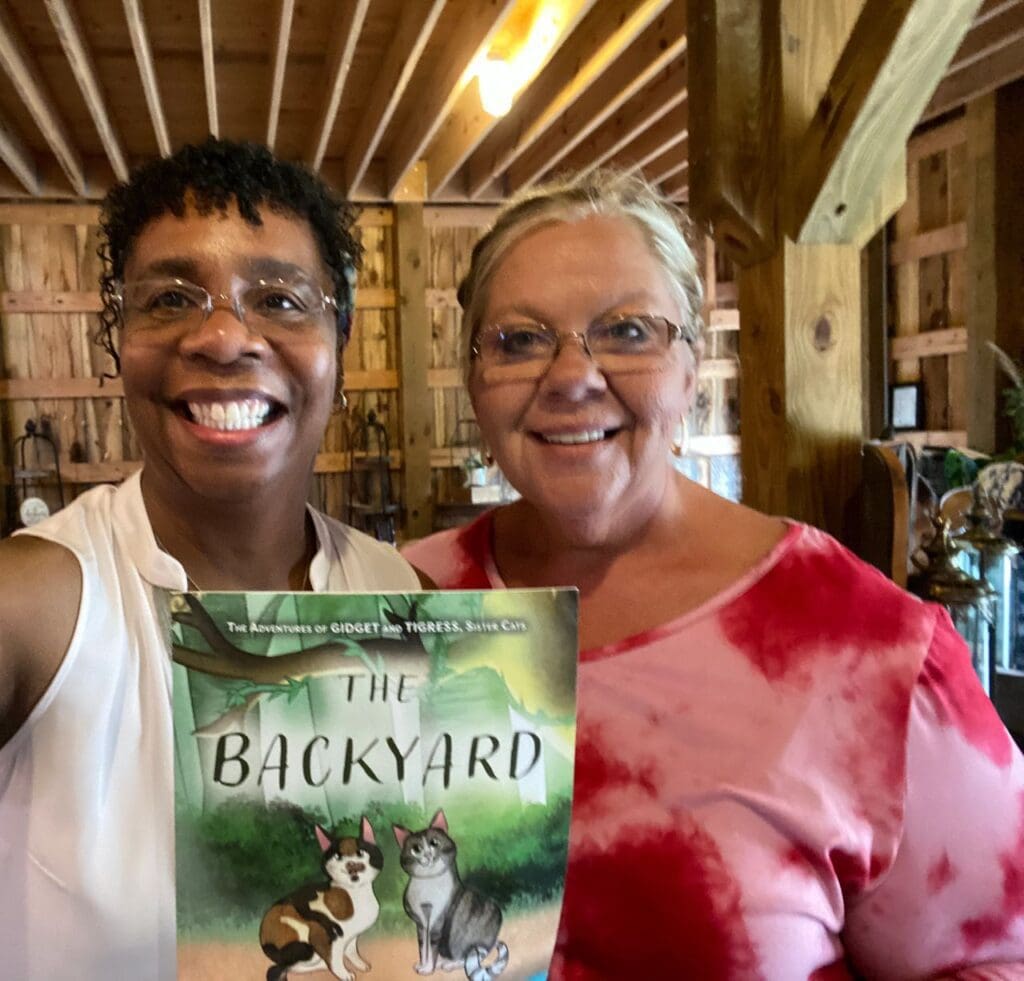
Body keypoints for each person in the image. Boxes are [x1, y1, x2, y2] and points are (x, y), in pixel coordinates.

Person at [402, 169, 1024, 978]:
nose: (570, 375)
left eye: (627, 331)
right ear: (476, 382)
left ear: (692, 370)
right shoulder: (397, 603)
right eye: (519, 339)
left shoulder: (864, 645)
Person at [0, 138, 422, 980]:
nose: (225, 336)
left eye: (279, 298)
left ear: (338, 341)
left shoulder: (400, 592)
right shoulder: (35, 603)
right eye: (170, 297)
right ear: (115, 342)